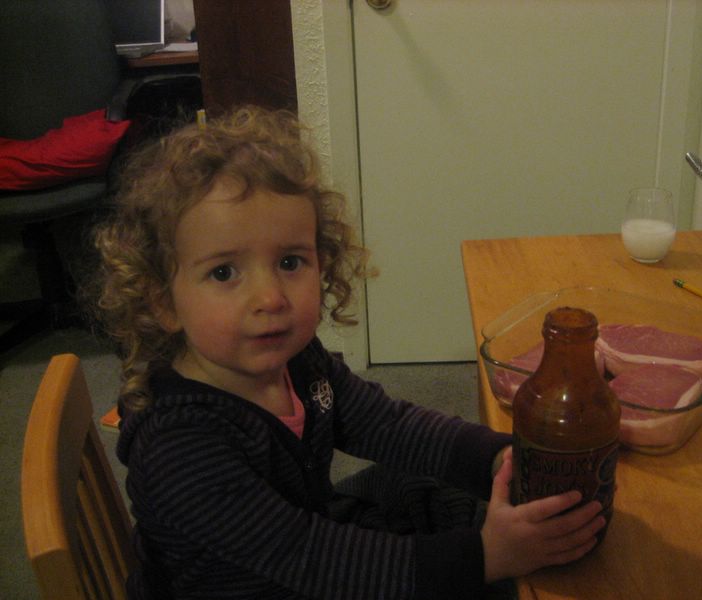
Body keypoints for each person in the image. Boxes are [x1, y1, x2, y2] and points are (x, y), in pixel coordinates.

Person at [87, 106, 605, 599]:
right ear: (164, 302)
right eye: (224, 272)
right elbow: (313, 559)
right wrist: (485, 557)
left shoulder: (298, 361)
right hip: (279, 579)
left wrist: (495, 456)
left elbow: (387, 424)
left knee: (423, 488)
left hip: (307, 537)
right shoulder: (180, 446)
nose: (270, 298)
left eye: (290, 262)